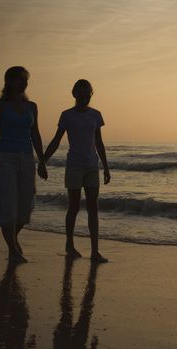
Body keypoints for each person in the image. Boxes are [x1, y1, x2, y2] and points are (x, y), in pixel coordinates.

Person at [0, 66, 47, 263]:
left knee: (25, 206)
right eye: (19, 79)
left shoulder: (32, 106)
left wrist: (42, 160)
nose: (24, 83)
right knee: (7, 204)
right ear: (9, 81)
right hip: (5, 159)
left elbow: (35, 134)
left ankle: (12, 241)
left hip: (27, 159)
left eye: (26, 80)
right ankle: (13, 250)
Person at [44, 79, 110, 263]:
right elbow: (56, 141)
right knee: (73, 207)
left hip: (91, 166)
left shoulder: (96, 115)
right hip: (74, 165)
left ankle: (95, 251)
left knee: (93, 208)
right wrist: (43, 161)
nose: (83, 99)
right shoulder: (66, 115)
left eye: (87, 96)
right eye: (80, 96)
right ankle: (69, 245)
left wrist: (105, 167)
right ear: (74, 95)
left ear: (91, 95)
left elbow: (99, 143)